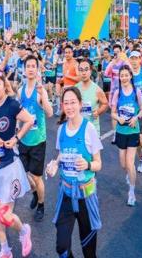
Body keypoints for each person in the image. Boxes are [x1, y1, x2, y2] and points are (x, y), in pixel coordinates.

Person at [0, 71, 34, 258]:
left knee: (5, 215)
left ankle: (23, 230)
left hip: (10, 167)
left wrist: (16, 138)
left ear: (5, 86)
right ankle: (5, 250)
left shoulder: (12, 104)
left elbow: (30, 120)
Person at [47, 86, 103, 258]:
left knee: (88, 251)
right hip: (66, 194)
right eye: (66, 103)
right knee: (62, 248)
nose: (69, 107)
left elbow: (98, 164)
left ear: (80, 104)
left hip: (86, 195)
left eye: (73, 102)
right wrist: (55, 164)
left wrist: (87, 164)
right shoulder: (61, 130)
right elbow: (62, 153)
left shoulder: (89, 129)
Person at [18, 55, 53, 222]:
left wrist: (43, 97)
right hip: (23, 139)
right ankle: (34, 193)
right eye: (28, 66)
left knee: (37, 177)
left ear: (38, 70)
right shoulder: (20, 91)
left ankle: (41, 204)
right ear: (24, 70)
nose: (31, 69)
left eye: (34, 66)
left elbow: (50, 113)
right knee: (23, 173)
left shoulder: (41, 91)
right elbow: (19, 112)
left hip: (38, 141)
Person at [110, 65, 142, 206]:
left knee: (130, 163)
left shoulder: (137, 92)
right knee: (123, 164)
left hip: (133, 131)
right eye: (121, 75)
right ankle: (129, 174)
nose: (124, 78)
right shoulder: (117, 93)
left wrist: (136, 117)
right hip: (121, 131)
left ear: (131, 76)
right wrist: (118, 118)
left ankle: (132, 192)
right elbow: (112, 112)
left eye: (126, 75)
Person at [75, 59, 108, 136]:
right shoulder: (75, 89)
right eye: (81, 70)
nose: (84, 73)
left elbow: (105, 104)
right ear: (78, 72)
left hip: (93, 131)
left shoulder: (97, 90)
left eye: (86, 70)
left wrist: (98, 111)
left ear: (90, 71)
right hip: (78, 129)